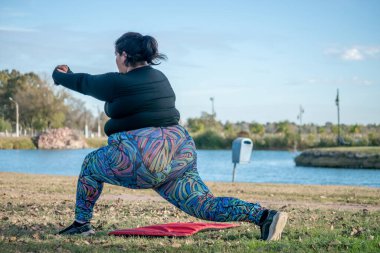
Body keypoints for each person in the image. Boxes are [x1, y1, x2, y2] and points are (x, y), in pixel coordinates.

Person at [52, 32, 288, 241]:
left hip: (145, 155)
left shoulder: (118, 82)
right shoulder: (160, 78)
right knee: (203, 204)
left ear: (124, 55)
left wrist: (62, 75)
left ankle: (82, 225)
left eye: (116, 55)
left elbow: (85, 83)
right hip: (179, 152)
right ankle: (265, 216)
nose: (116, 60)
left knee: (91, 165)